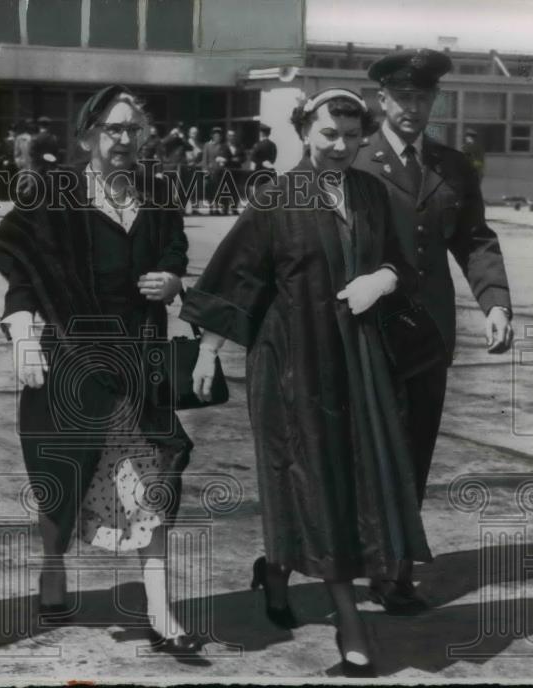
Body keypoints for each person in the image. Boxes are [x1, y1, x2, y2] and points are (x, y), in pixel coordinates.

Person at [181, 88, 433, 677]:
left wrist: (384, 278)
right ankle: (350, 623)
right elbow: (235, 277)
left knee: (350, 481)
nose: (341, 146)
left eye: (351, 135)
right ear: (303, 132)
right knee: (312, 479)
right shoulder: (277, 197)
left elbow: (400, 259)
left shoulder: (371, 192)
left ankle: (275, 570)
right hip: (292, 363)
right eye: (328, 134)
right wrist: (208, 351)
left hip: (358, 362)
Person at [0, 85, 199, 657]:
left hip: (139, 367)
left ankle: (160, 612)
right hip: (73, 365)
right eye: (112, 128)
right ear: (86, 137)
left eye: (133, 129)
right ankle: (53, 566)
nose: (124, 139)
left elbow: (175, 249)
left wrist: (172, 279)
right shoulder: (54, 195)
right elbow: (21, 266)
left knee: (153, 483)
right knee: (63, 480)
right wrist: (23, 334)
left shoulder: (158, 193)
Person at [354, 49, 513, 613]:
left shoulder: (452, 166)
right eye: (402, 97)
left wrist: (495, 302)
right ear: (382, 100)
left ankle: (393, 568)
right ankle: (351, 558)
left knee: (414, 450)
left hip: (430, 337)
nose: (412, 108)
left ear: (434, 101)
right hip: (367, 333)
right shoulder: (355, 159)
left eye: (422, 98)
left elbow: (474, 239)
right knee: (366, 451)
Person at [202, 127, 225, 215]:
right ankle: (211, 208)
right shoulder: (207, 145)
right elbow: (204, 158)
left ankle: (217, 208)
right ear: (212, 136)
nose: (217, 137)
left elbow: (224, 156)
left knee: (218, 190)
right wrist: (205, 169)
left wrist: (223, 161)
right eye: (215, 135)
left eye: (219, 135)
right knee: (209, 190)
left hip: (219, 171)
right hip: (209, 171)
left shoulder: (222, 146)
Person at [184, 125, 204, 215]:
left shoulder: (200, 144)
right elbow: (187, 157)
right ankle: (187, 208)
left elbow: (203, 157)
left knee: (197, 188)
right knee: (188, 189)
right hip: (188, 169)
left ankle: (195, 208)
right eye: (193, 133)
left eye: (196, 133)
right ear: (189, 134)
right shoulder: (186, 143)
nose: (194, 135)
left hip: (197, 169)